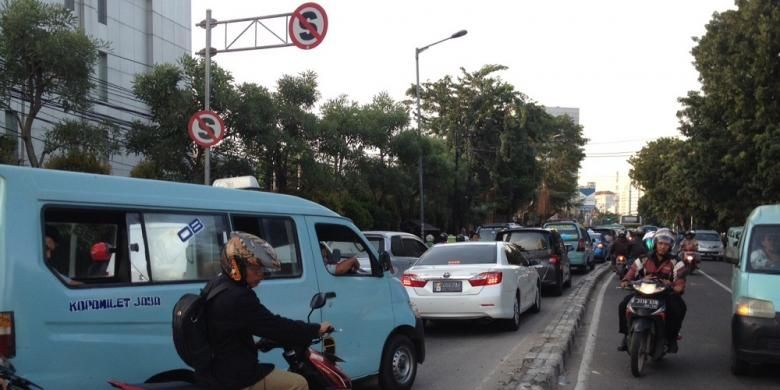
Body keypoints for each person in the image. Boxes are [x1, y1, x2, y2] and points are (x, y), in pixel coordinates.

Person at [201, 231, 333, 390]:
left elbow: (237, 326)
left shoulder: (217, 284)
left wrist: (257, 343)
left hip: (217, 367)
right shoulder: (239, 297)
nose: (261, 275)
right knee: (299, 384)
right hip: (236, 376)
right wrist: (316, 329)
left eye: (262, 270)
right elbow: (276, 326)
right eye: (255, 270)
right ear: (236, 266)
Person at [617, 228, 687, 353]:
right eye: (660, 243)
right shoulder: (643, 259)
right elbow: (631, 272)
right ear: (655, 243)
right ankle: (626, 334)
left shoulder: (676, 262)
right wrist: (626, 281)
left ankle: (671, 339)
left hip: (665, 295)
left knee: (679, 308)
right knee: (623, 305)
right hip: (643, 293)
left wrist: (673, 285)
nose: (663, 247)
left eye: (666, 244)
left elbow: (680, 282)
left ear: (671, 246)